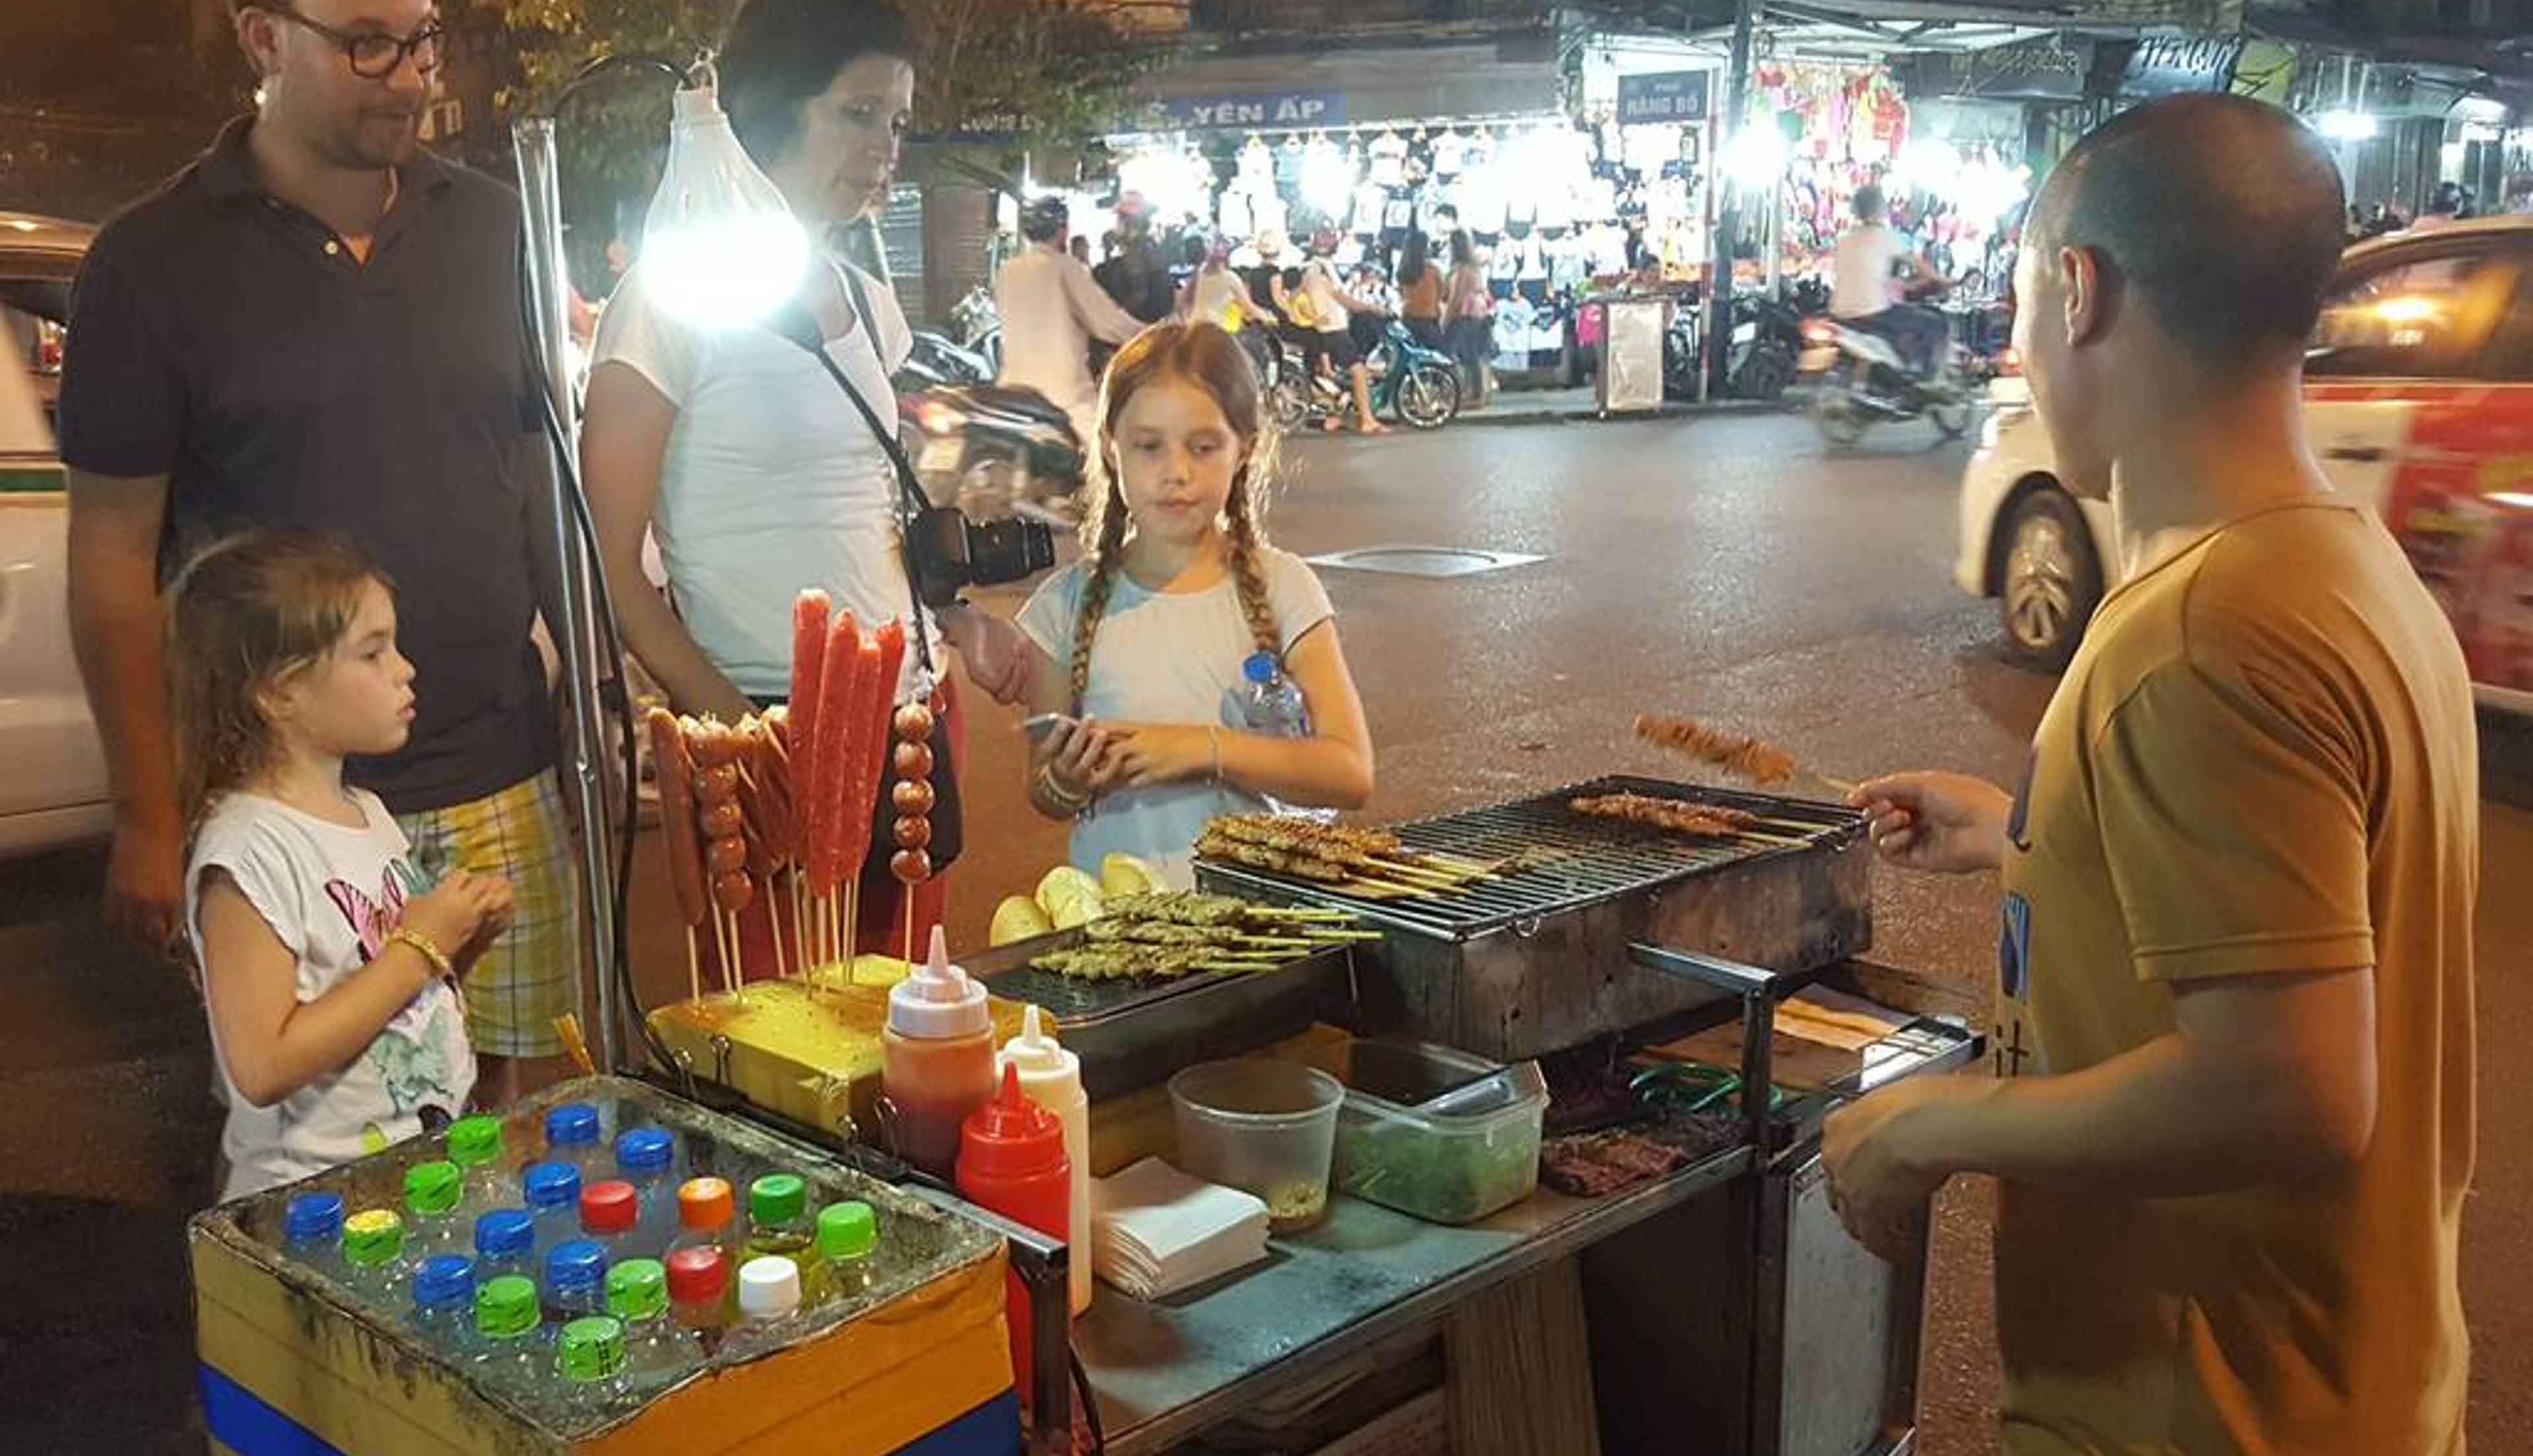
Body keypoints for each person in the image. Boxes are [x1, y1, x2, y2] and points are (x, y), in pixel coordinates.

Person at [1823, 96, 2476, 1455]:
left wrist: (1933, 1124)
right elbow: (2308, 898)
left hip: (2209, 1411)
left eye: (2014, 300)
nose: (2015, 345)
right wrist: (2029, 839)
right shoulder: (2344, 565)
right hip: (2350, 1385)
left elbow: (2289, 1088)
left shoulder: (2208, 627)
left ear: (2077, 289)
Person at [59, 0, 577, 1101]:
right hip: (285, 800)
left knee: (542, 1119)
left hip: (501, 769)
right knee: (340, 1141)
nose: (408, 77)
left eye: (423, 39)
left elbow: (540, 484)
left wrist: (598, 706)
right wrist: (146, 812)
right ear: (263, 40)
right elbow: (111, 552)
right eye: (368, 43)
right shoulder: (149, 264)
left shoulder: (496, 228)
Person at [583, 0, 1029, 961]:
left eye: (899, 122)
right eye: (858, 114)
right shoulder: (670, 299)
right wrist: (748, 737)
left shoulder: (868, 302)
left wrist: (957, 628)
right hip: (763, 718)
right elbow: (614, 569)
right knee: (787, 1041)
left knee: (909, 1015)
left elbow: (870, 508)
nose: (885, 147)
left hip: (910, 714)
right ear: (777, 112)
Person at [173, 533, 513, 1199]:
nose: (404, 669)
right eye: (372, 652)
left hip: (407, 1182)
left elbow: (379, 995)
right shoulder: (248, 850)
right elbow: (263, 1062)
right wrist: (421, 947)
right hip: (311, 1207)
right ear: (279, 693)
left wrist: (457, 944)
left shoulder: (368, 813)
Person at [1016, 323, 1373, 888]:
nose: (1176, 471)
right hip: (1121, 934)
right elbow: (1045, 794)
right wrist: (1068, 776)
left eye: (1203, 447)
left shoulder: (1284, 587)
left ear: (1245, 449)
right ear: (1111, 449)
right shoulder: (1061, 607)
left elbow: (1350, 772)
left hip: (1262, 927)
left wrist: (1201, 748)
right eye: (1148, 446)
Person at [996, 195, 1146, 446]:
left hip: (1013, 394)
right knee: (1106, 453)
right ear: (1063, 230)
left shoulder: (1008, 270)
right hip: (1064, 399)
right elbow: (1106, 322)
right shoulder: (1064, 267)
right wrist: (1149, 335)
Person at [1273, 229, 1387, 435]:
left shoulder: (1306, 269)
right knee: (1359, 372)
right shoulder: (1323, 270)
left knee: (1333, 375)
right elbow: (1343, 300)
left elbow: (1291, 298)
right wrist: (1373, 308)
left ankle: (1334, 416)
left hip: (1322, 329)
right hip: (1333, 329)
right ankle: (1368, 420)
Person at [1830, 183, 1947, 377]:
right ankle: (1922, 378)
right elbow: (1920, 266)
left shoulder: (1844, 239)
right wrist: (1942, 279)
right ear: (1880, 208)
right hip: (1872, 313)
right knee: (1935, 325)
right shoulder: (1886, 237)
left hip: (1839, 312)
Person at [1441, 229, 1495, 409]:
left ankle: (1475, 395)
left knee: (1468, 356)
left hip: (1467, 315)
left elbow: (1456, 298)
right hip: (1475, 314)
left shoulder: (1464, 269)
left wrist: (1445, 320)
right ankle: (1477, 394)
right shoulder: (1470, 267)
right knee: (1472, 356)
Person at [1395, 231, 1446, 352]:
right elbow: (1442, 294)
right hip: (1428, 323)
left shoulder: (1403, 271)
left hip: (1407, 321)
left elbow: (1402, 295)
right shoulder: (1433, 270)